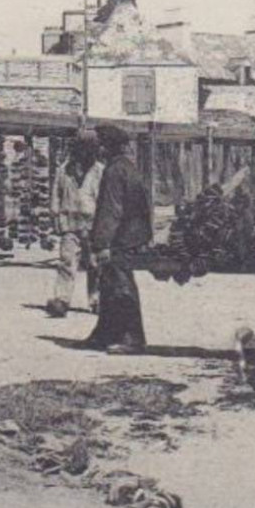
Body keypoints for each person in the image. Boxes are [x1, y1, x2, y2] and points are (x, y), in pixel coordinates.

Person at [82, 123, 152, 354]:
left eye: (101, 144)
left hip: (120, 239)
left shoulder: (113, 171)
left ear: (107, 146)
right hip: (132, 236)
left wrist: (101, 244)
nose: (98, 148)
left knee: (120, 287)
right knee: (109, 285)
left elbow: (110, 210)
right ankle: (103, 334)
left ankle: (133, 339)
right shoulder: (129, 168)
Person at [45, 131, 102, 317]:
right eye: (81, 149)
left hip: (93, 224)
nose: (84, 154)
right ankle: (61, 300)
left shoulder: (100, 171)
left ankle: (96, 300)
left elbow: (104, 199)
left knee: (94, 264)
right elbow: (56, 194)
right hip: (70, 223)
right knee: (66, 261)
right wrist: (55, 214)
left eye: (88, 150)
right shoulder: (64, 170)